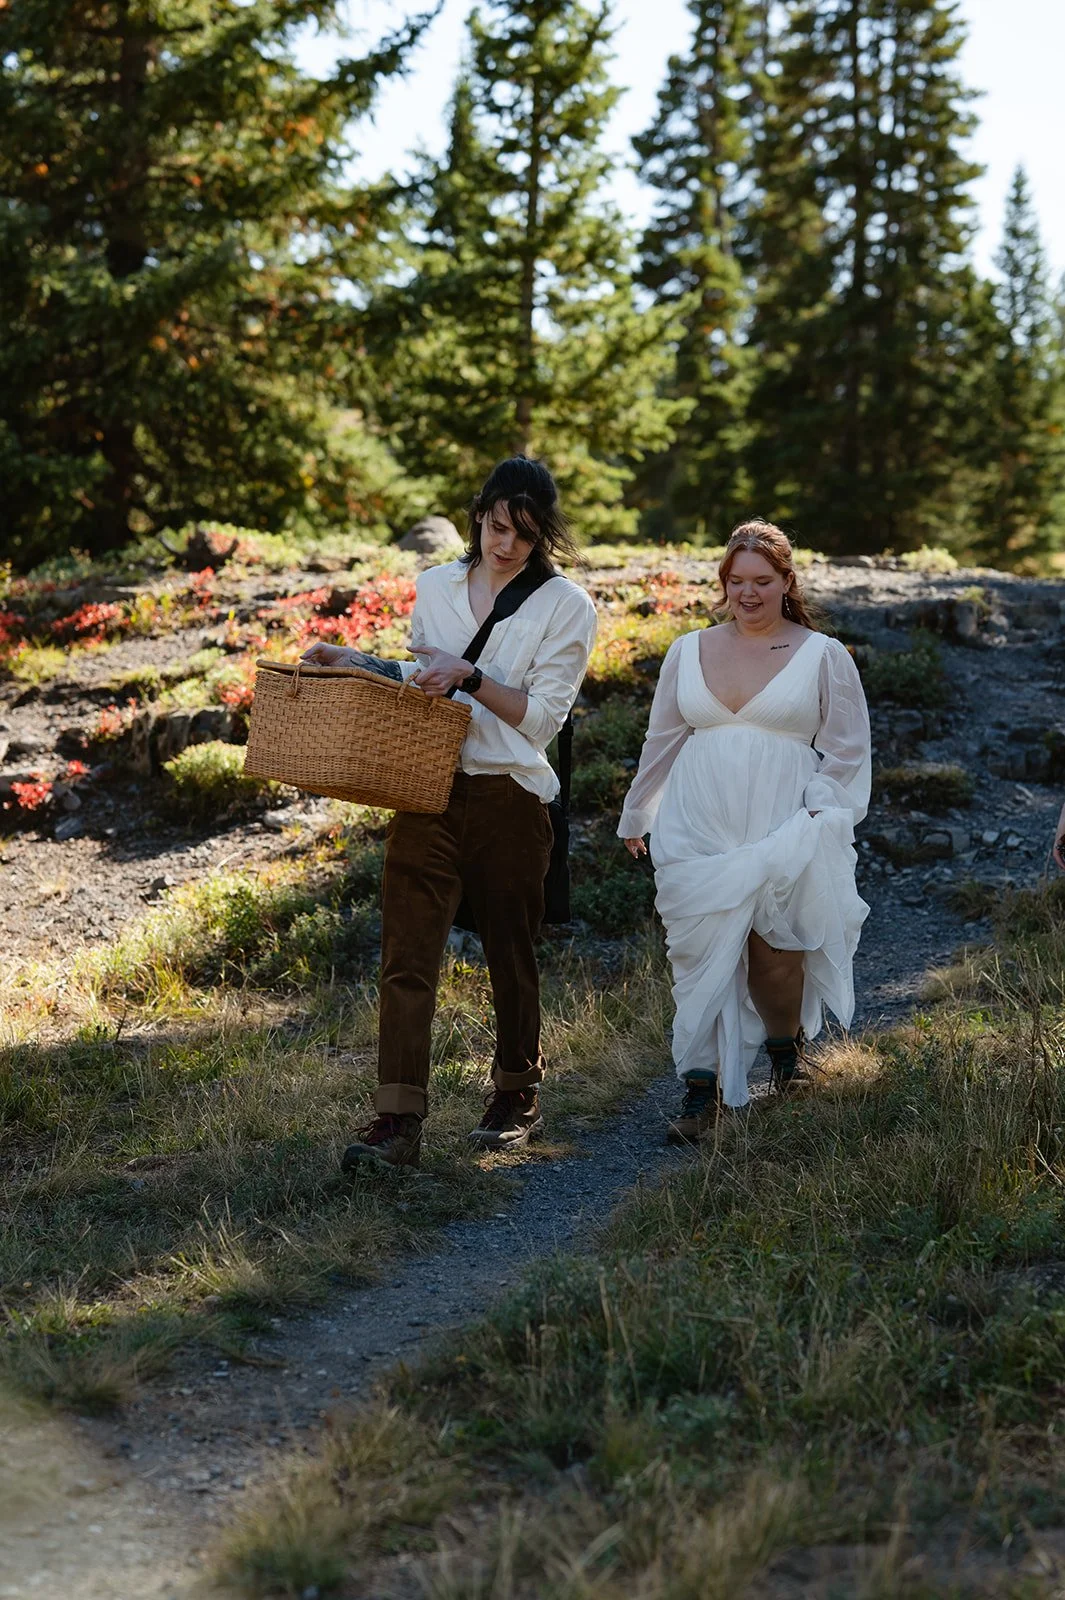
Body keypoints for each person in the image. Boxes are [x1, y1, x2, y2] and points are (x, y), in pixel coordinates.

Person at [302, 457, 597, 1168]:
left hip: (510, 796)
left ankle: (516, 1092)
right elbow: (419, 679)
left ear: (541, 537)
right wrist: (356, 661)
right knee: (405, 957)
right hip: (425, 787)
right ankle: (396, 1121)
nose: (505, 546)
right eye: (497, 527)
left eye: (523, 536)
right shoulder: (434, 585)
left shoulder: (566, 606)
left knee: (510, 952)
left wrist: (471, 675)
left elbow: (541, 720)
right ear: (479, 514)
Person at [618, 520, 871, 1143]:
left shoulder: (823, 655)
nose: (749, 593)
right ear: (724, 584)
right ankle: (700, 1092)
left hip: (786, 814)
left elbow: (847, 749)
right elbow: (663, 739)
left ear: (787, 582)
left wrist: (820, 809)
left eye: (762, 580)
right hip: (697, 817)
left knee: (776, 954)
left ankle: (786, 1057)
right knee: (699, 950)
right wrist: (638, 810)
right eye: (737, 581)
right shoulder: (689, 650)